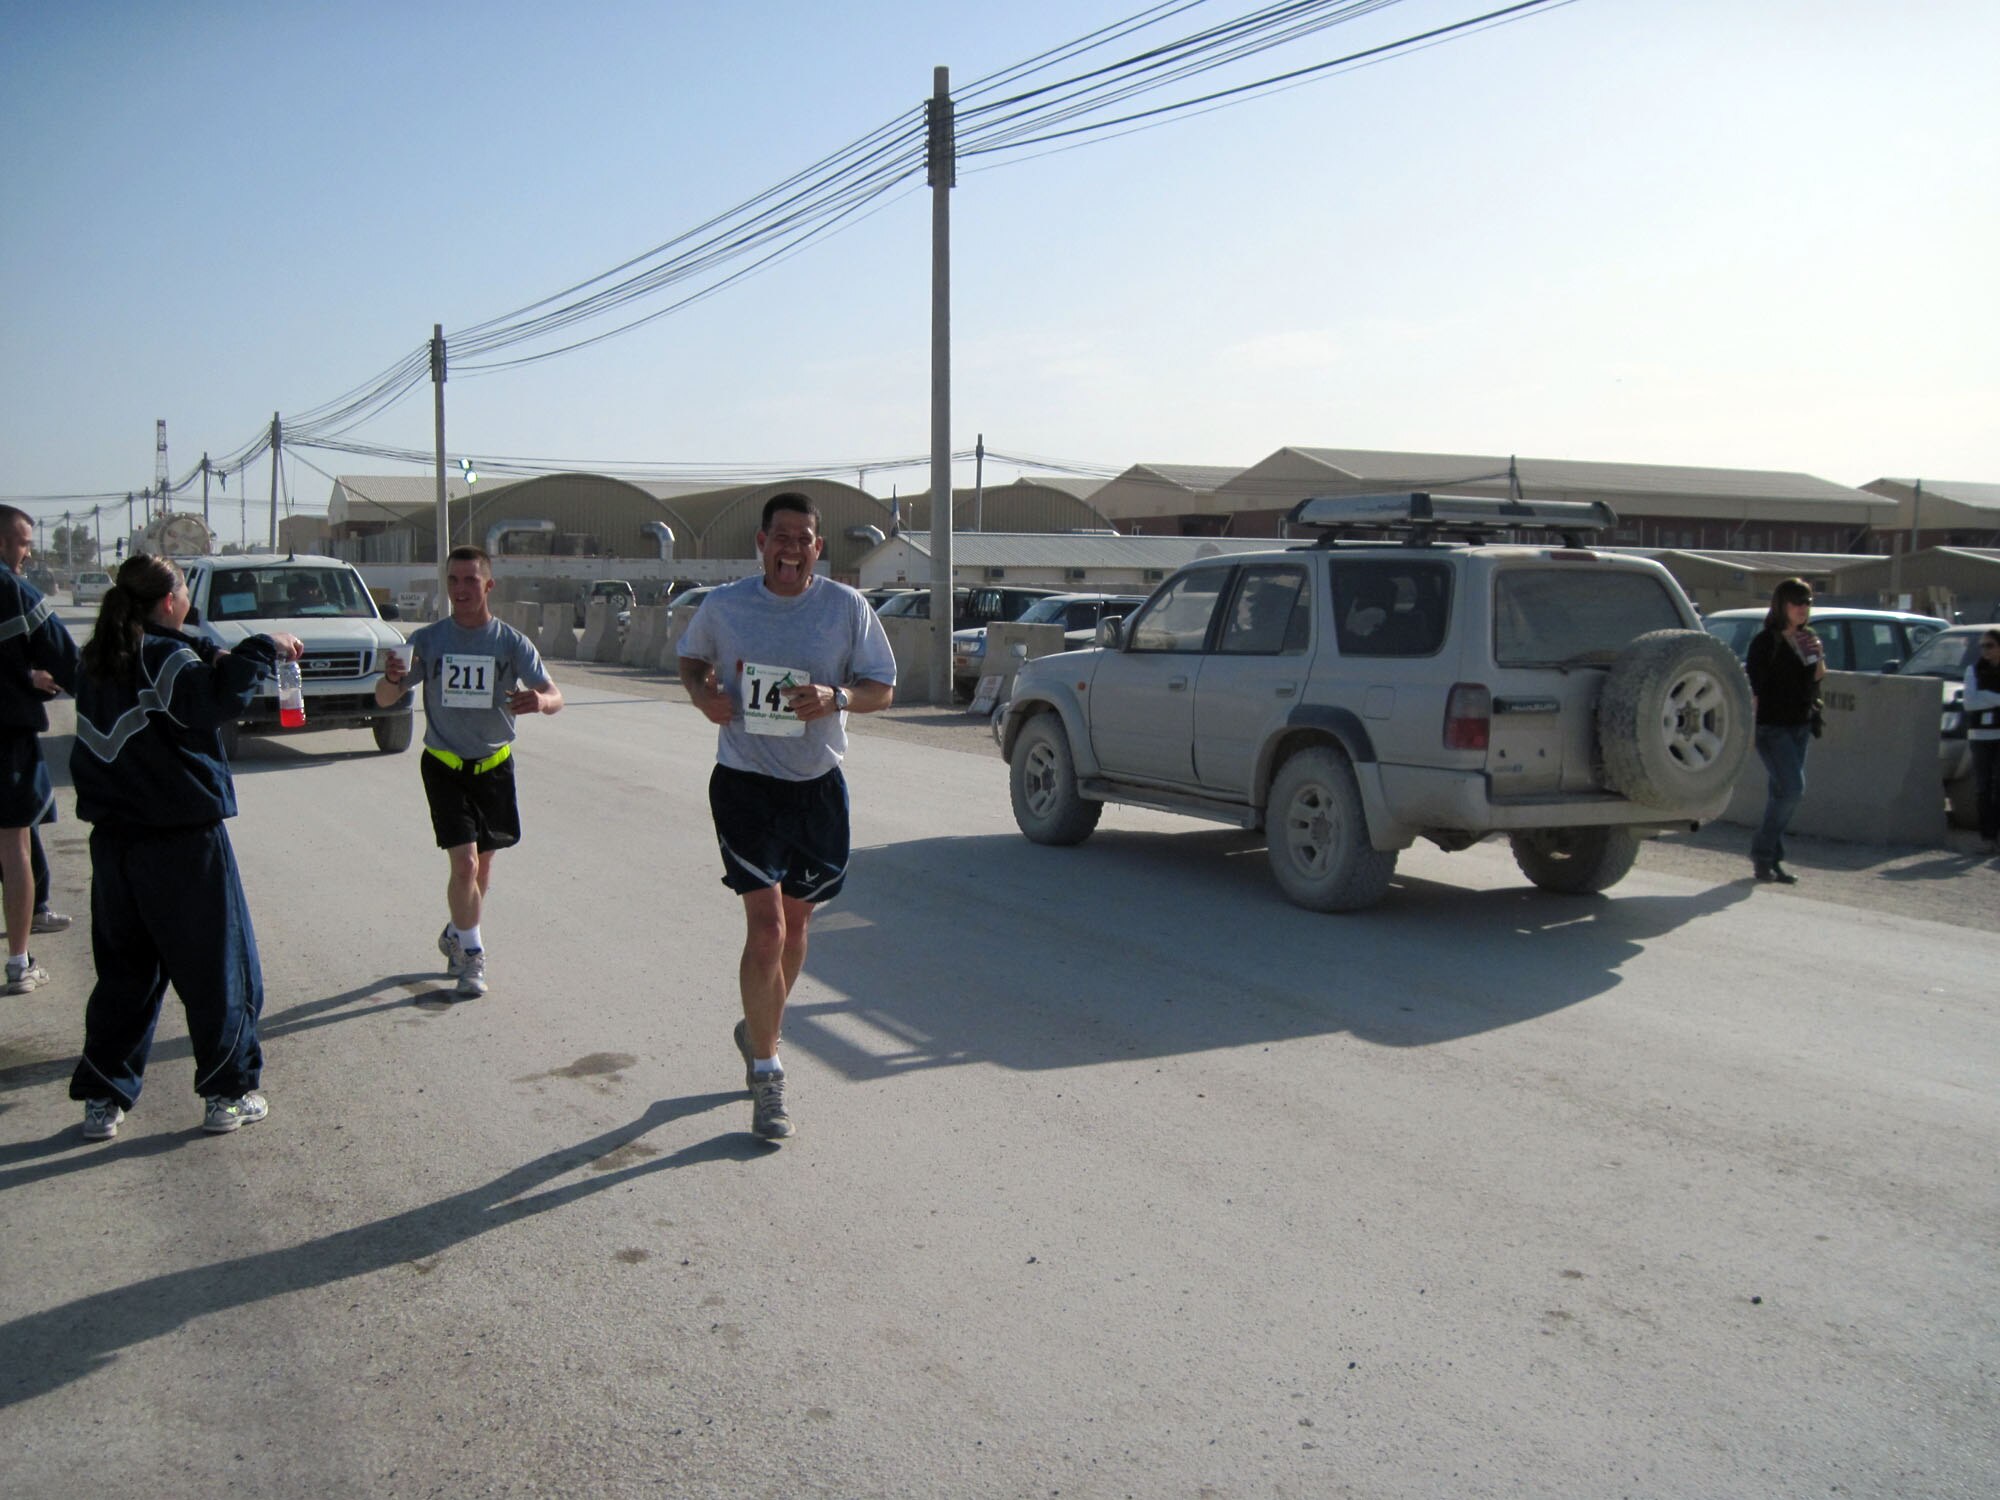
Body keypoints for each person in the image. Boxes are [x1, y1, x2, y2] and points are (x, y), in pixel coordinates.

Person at [676, 492, 896, 1142]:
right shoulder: (725, 606)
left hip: (817, 787)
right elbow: (692, 659)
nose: (792, 550)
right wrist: (701, 693)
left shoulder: (846, 609)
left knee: (798, 926)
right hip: (745, 782)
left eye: (804, 539)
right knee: (767, 927)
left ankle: (757, 1027)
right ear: (761, 543)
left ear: (817, 549)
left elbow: (883, 687)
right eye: (781, 538)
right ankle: (768, 1074)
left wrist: (838, 696)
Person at [66, 554, 302, 1139]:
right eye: (183, 591)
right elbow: (208, 704)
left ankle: (103, 1099)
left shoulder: (102, 658)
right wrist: (259, 649)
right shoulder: (165, 656)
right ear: (169, 600)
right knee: (219, 970)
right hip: (182, 844)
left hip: (115, 844)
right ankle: (227, 1092)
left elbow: (181, 676)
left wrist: (210, 651)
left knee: (125, 974)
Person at [377, 545, 561, 998]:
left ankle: (458, 931)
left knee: (481, 868)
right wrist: (394, 678)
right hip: (444, 765)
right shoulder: (428, 640)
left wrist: (539, 701)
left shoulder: (510, 643)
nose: (461, 590)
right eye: (454, 581)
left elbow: (554, 695)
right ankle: (473, 956)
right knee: (464, 863)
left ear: (488, 585)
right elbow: (384, 699)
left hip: (494, 766)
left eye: (470, 581)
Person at [0, 505, 81, 994]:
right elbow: (66, 657)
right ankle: (17, 963)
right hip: (6, 739)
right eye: (24, 542)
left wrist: (20, 675)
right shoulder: (13, 590)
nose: (28, 553)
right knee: (15, 845)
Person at [1743, 577, 1825, 884]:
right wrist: (1750, 729)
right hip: (1771, 727)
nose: (1802, 609)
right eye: (1796, 602)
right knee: (1793, 789)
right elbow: (1754, 688)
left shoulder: (1808, 638)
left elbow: (1817, 678)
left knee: (1780, 794)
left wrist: (1818, 654)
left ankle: (1769, 861)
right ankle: (1763, 851)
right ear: (1782, 605)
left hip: (1800, 724)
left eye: (1807, 603)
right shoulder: (1765, 642)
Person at [1962, 629, 2000, 853]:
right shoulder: (1973, 670)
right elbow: (1970, 703)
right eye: (1983, 646)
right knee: (1982, 788)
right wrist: (1995, 699)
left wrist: (1984, 696)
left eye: (1990, 645)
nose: (1985, 650)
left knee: (1998, 787)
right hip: (1979, 735)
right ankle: (1987, 837)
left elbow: (1978, 699)